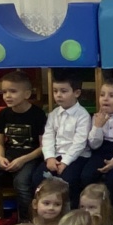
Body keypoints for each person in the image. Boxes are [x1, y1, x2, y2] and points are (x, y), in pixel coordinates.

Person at [0, 71, 46, 219]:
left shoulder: (38, 114)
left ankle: (27, 221)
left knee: (21, 183)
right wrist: (0, 157)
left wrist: (22, 160)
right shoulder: (4, 114)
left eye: (13, 91)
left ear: (27, 94)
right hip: (9, 156)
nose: (7, 96)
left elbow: (43, 147)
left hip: (30, 158)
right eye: (4, 92)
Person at [81, 78, 113, 218]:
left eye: (111, 95)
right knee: (86, 176)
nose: (105, 99)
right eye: (102, 95)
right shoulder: (97, 116)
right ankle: (89, 212)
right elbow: (94, 145)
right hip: (101, 150)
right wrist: (97, 126)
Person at [41, 71, 91, 202]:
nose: (58, 95)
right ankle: (46, 209)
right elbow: (48, 137)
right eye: (55, 91)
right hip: (56, 155)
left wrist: (65, 162)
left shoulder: (83, 115)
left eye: (63, 91)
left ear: (76, 93)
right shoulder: (53, 114)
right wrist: (49, 157)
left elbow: (79, 143)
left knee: (68, 180)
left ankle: (70, 211)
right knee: (38, 177)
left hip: (77, 157)